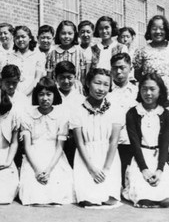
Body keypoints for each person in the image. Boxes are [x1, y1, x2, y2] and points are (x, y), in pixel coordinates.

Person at [123, 73, 169, 208]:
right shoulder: (132, 113)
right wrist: (144, 169)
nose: (148, 93)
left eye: (152, 89)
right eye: (144, 89)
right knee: (143, 197)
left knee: (165, 199)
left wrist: (160, 169)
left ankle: (161, 192)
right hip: (139, 158)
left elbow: (165, 145)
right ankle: (143, 194)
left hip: (159, 158)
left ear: (160, 91)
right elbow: (134, 144)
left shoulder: (166, 115)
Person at [70, 68, 123, 208]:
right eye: (97, 83)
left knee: (109, 199)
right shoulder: (77, 110)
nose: (101, 88)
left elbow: (113, 142)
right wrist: (92, 168)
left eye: (106, 84)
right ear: (88, 83)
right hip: (86, 158)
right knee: (88, 200)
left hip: (108, 158)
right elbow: (80, 143)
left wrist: (106, 169)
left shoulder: (115, 108)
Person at [19, 77, 74, 206]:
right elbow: (27, 146)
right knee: (33, 192)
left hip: (54, 156)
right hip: (33, 156)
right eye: (41, 94)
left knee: (57, 190)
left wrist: (48, 169)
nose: (45, 98)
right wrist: (38, 170)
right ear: (36, 96)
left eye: (49, 94)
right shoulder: (28, 114)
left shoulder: (61, 114)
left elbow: (60, 147)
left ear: (54, 95)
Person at [133, 15, 169, 144]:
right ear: (149, 31)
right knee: (150, 132)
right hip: (149, 93)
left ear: (166, 30)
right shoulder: (142, 51)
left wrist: (166, 83)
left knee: (166, 131)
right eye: (154, 28)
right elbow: (138, 74)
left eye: (161, 28)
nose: (157, 32)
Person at [108, 53, 138, 187]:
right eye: (114, 68)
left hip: (130, 140)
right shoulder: (106, 92)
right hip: (109, 141)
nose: (118, 71)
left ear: (130, 68)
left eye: (122, 67)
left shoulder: (137, 92)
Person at [54, 61, 85, 167]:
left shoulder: (81, 99)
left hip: (75, 141)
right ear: (56, 78)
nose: (66, 81)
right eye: (62, 77)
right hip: (55, 139)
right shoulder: (52, 97)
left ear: (75, 77)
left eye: (69, 77)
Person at [3, 26, 45, 97]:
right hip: (13, 94)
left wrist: (23, 95)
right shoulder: (9, 56)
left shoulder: (38, 55)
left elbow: (37, 78)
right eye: (17, 37)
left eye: (23, 37)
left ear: (30, 38)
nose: (20, 39)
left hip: (32, 94)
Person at [46, 20, 86, 85]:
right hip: (57, 90)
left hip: (75, 90)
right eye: (63, 33)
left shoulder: (80, 53)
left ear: (75, 34)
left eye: (70, 33)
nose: (66, 36)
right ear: (58, 34)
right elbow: (49, 77)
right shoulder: (52, 54)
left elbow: (82, 76)